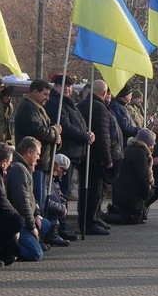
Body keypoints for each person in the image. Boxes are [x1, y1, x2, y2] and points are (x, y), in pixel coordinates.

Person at [45, 73, 94, 236]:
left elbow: (78, 123)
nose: (67, 89)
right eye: (63, 86)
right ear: (56, 87)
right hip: (64, 153)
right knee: (61, 192)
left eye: (69, 86)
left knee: (64, 192)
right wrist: (84, 135)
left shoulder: (69, 103)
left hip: (73, 154)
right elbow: (65, 126)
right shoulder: (55, 104)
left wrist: (87, 132)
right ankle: (60, 226)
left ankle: (63, 224)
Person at [13, 78, 62, 206]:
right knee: (37, 200)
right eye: (45, 94)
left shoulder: (36, 107)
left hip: (42, 160)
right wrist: (54, 132)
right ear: (35, 92)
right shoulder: (28, 108)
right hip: (34, 161)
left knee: (42, 199)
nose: (47, 98)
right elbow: (39, 132)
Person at [77, 79, 116, 236]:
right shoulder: (100, 109)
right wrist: (108, 160)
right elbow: (103, 136)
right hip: (95, 158)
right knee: (94, 191)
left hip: (84, 155)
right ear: (104, 93)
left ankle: (87, 219)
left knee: (85, 190)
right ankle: (90, 222)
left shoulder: (82, 105)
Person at [105, 129, 158, 225]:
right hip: (130, 195)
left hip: (123, 193)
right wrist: (146, 194)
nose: (152, 148)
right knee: (132, 219)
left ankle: (116, 211)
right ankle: (106, 217)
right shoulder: (140, 153)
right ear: (146, 143)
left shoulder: (129, 149)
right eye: (151, 145)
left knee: (133, 217)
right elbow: (142, 177)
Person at [7, 137, 48, 262]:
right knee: (36, 254)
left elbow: (31, 196)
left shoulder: (25, 168)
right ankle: (9, 247)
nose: (39, 158)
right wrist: (31, 226)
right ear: (29, 152)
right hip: (20, 220)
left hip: (27, 217)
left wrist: (36, 214)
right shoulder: (19, 170)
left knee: (45, 224)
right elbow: (22, 201)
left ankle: (32, 239)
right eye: (37, 154)